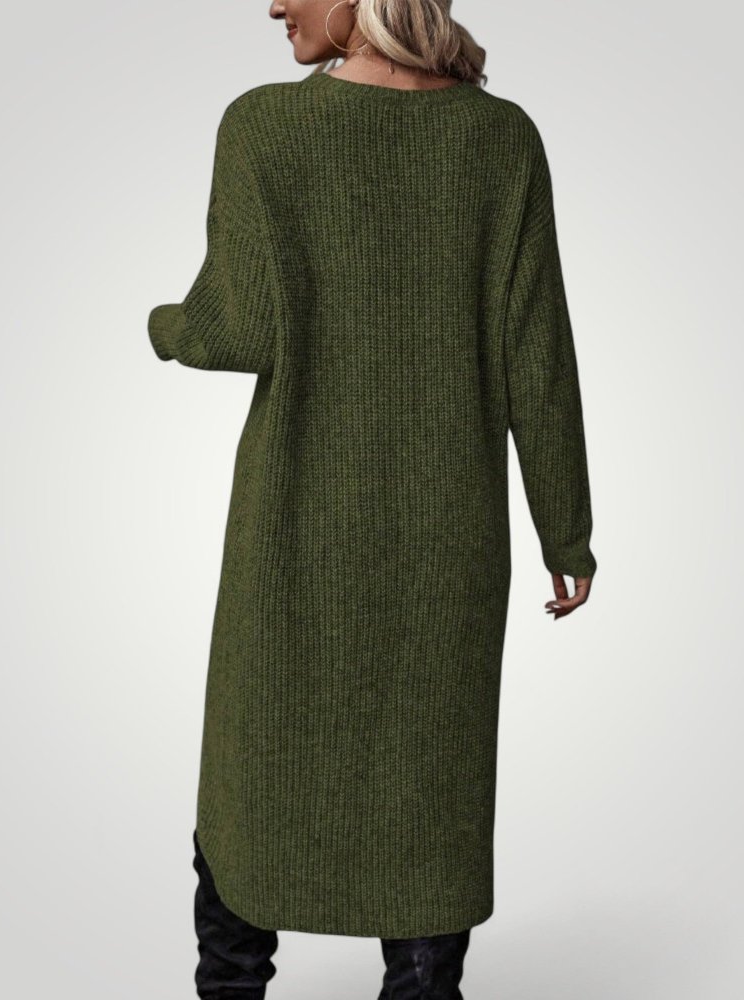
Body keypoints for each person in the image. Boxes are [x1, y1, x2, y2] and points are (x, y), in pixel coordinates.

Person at [147, 0, 598, 996]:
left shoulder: (264, 125)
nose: (274, 5)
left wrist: (163, 323)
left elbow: (232, 329)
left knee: (251, 789)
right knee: (428, 805)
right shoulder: (503, 139)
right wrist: (566, 528)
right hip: (449, 546)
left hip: (292, 533)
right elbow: (538, 353)